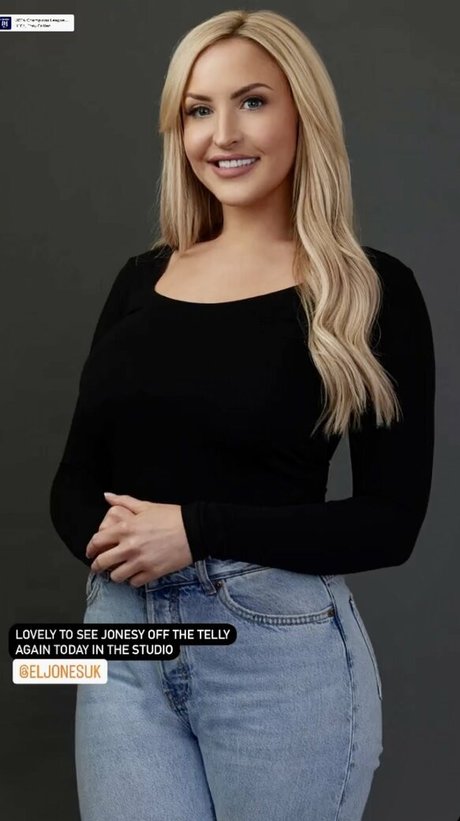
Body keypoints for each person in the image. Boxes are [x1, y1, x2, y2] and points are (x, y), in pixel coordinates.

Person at [49, 9, 435, 821]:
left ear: (302, 115)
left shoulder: (370, 291)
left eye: (252, 101)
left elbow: (389, 523)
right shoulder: (141, 280)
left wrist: (197, 529)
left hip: (274, 653)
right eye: (199, 109)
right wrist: (118, 544)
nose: (221, 133)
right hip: (119, 636)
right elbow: (74, 478)